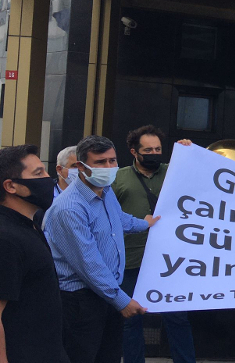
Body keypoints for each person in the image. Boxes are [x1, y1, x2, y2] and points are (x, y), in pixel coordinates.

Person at [44, 135, 161, 363]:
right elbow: (89, 263)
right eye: (100, 162)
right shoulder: (69, 208)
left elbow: (119, 219)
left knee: (108, 356)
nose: (108, 167)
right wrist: (121, 300)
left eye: (112, 161)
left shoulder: (105, 191)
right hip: (80, 301)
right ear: (81, 167)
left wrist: (145, 224)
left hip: (106, 295)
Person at [111, 125, 196, 363]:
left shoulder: (174, 170)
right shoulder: (118, 178)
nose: (154, 154)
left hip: (170, 261)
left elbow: (204, 176)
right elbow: (110, 215)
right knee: (131, 320)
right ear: (134, 152)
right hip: (131, 259)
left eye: (158, 149)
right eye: (148, 150)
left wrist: (189, 152)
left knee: (177, 318)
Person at [0, 145, 64, 362]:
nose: (48, 178)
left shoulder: (31, 224)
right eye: (38, 173)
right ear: (11, 186)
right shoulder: (6, 238)